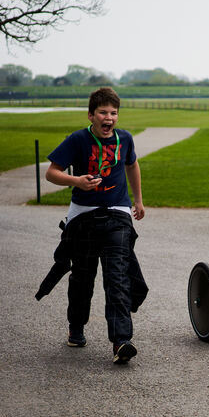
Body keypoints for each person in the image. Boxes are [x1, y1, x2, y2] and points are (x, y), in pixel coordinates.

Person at [44, 87, 146, 365]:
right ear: (91, 115)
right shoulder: (77, 140)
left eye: (113, 113)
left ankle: (121, 341)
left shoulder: (125, 139)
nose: (109, 117)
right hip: (83, 217)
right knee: (82, 278)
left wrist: (137, 200)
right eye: (103, 112)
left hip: (117, 215)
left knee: (118, 278)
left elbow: (132, 165)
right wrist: (76, 181)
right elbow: (51, 172)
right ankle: (76, 329)